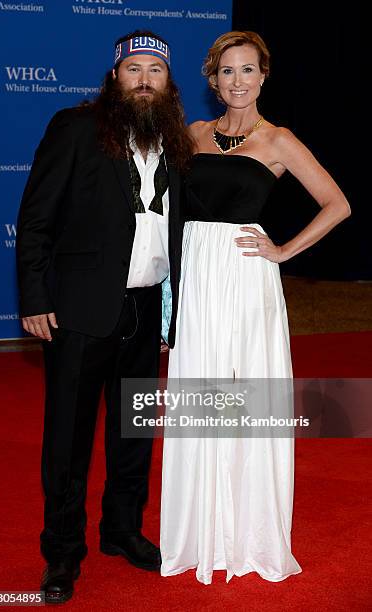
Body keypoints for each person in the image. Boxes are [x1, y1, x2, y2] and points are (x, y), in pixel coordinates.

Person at [160, 31, 350, 584]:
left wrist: (284, 250)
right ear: (212, 79)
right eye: (226, 71)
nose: (237, 81)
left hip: (246, 278)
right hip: (196, 275)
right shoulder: (192, 133)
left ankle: (250, 535)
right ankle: (198, 532)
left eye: (247, 70)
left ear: (263, 75)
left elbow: (337, 204)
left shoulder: (279, 140)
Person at [16, 30, 193, 603]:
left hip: (146, 309)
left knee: (132, 431)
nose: (144, 79)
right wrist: (35, 298)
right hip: (79, 312)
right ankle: (62, 554)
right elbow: (36, 218)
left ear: (169, 83)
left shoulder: (176, 142)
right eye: (133, 69)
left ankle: (121, 531)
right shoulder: (76, 128)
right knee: (67, 439)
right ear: (114, 76)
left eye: (155, 71)